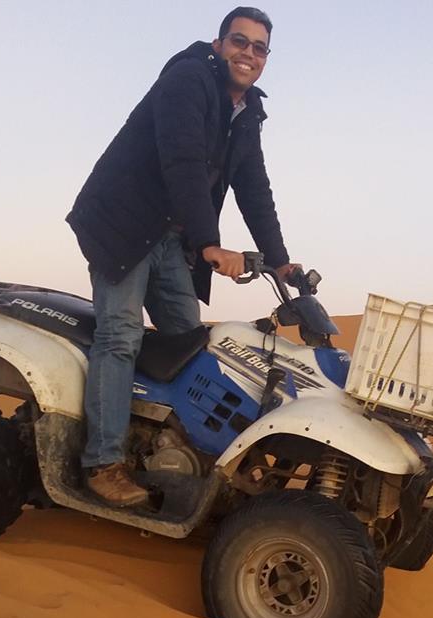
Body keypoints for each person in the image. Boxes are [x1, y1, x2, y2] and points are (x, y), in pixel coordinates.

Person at [66, 7, 298, 508]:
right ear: (219, 44)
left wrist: (280, 261)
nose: (249, 54)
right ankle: (102, 463)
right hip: (123, 222)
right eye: (240, 41)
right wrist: (210, 242)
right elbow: (183, 161)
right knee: (120, 335)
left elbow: (254, 188)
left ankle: (163, 449)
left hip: (170, 235)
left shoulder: (246, 112)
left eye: (260, 48)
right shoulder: (189, 79)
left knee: (186, 342)